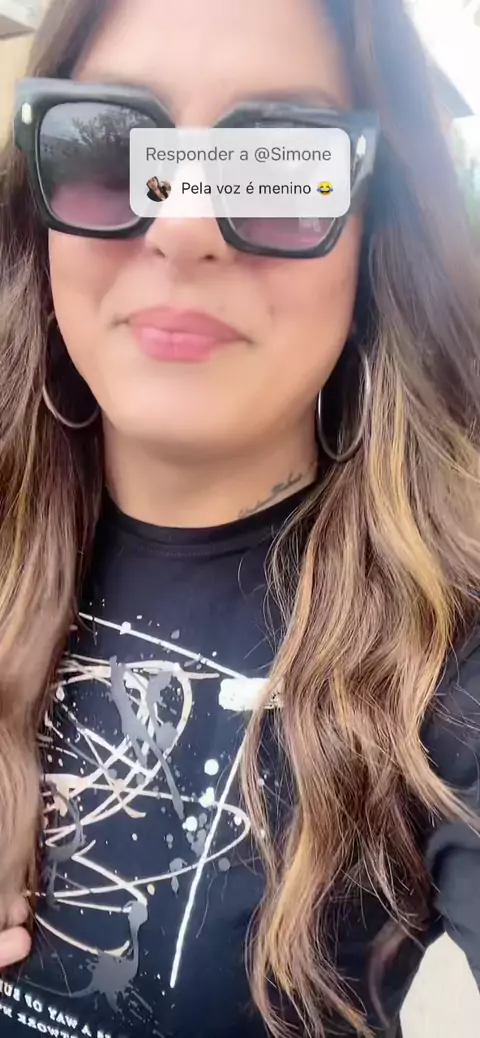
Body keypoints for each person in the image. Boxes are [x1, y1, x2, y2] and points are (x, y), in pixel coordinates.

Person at [0, 0, 479, 1036]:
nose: (182, 225)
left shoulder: (451, 655)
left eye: (278, 166)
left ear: (377, 234)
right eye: (113, 146)